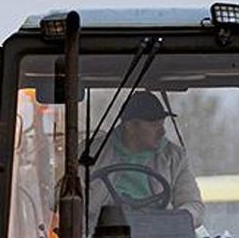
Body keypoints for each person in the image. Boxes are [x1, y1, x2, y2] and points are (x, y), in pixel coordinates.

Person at [88, 92, 205, 226]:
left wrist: (176, 220)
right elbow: (74, 199)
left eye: (162, 124)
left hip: (158, 234)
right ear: (130, 126)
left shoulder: (174, 157)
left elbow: (193, 204)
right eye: (154, 125)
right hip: (101, 233)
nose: (162, 131)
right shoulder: (91, 154)